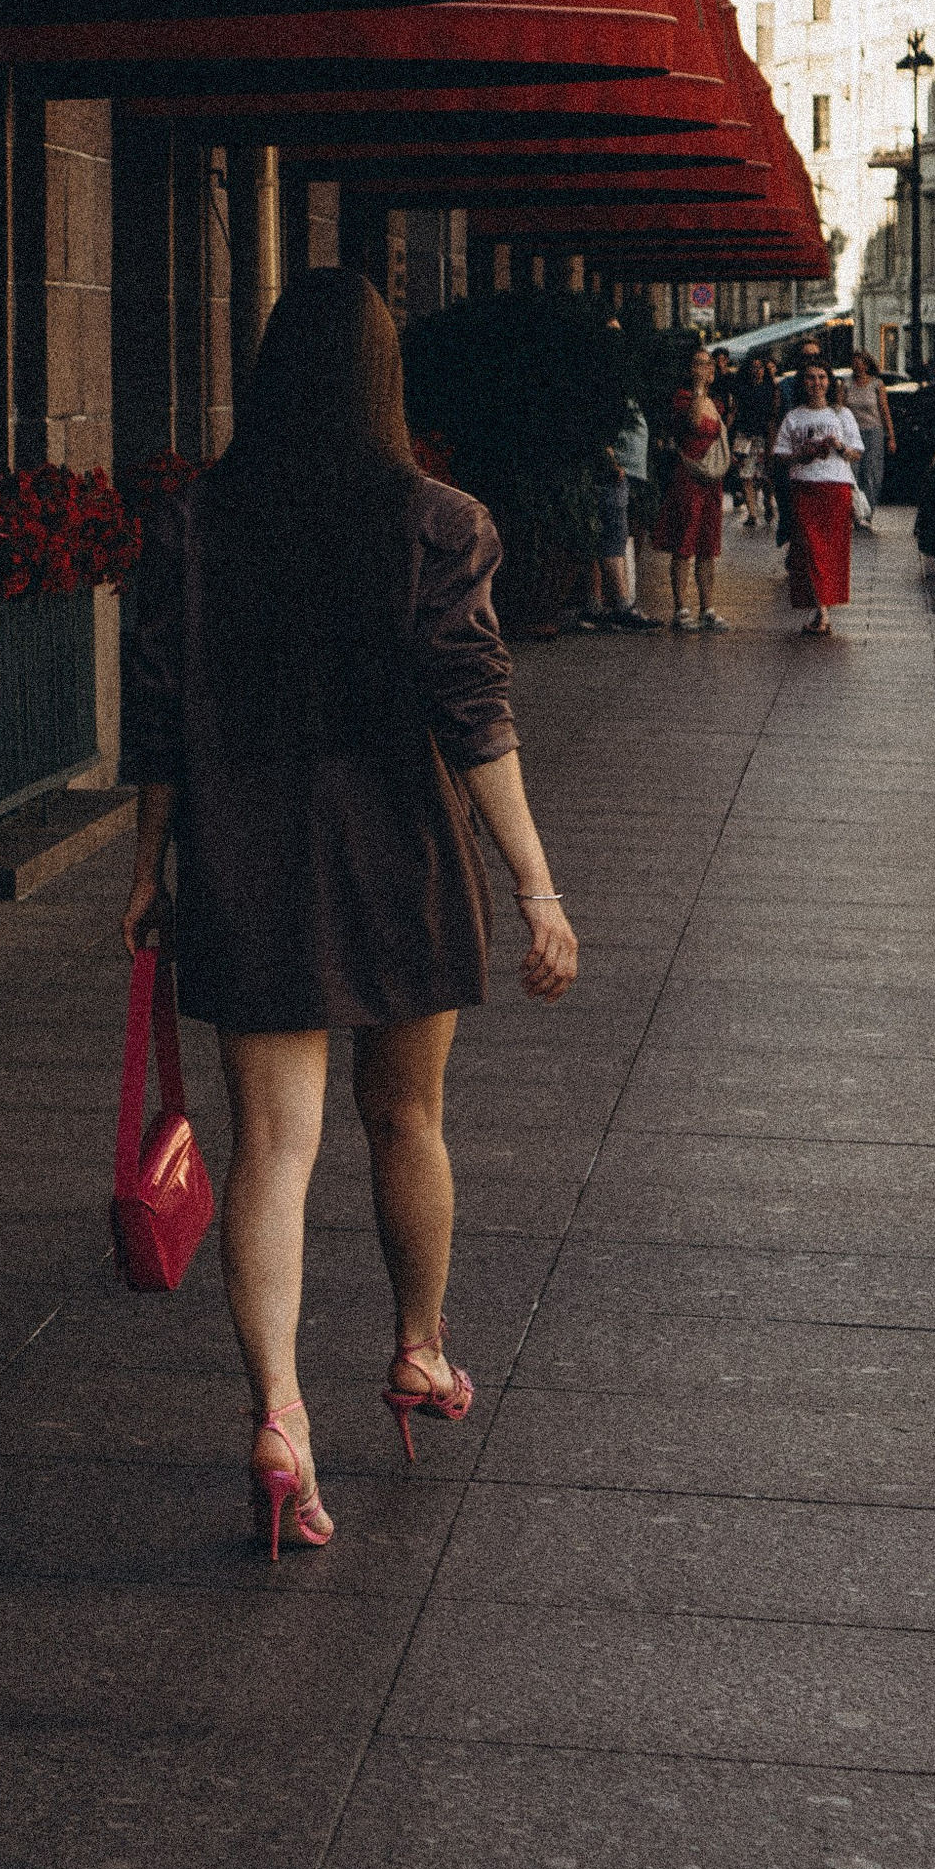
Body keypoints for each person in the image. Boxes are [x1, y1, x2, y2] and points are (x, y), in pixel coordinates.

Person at [118, 270, 578, 1564]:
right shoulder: (438, 524)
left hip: (246, 857)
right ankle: (418, 1350)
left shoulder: (195, 523)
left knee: (273, 1150)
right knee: (408, 1116)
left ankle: (276, 1421)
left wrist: (149, 867)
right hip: (398, 857)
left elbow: (156, 711)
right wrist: (536, 885)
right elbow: (474, 715)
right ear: (386, 380)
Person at [774, 356, 863, 635]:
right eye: (811, 377)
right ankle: (822, 610)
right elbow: (781, 455)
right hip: (805, 487)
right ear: (802, 382)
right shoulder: (794, 416)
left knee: (832, 552)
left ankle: (820, 608)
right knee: (809, 549)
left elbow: (856, 452)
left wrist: (839, 447)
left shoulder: (842, 414)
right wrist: (804, 453)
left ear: (830, 381)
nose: (817, 383)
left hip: (836, 487)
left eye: (822, 377)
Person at [656, 344, 730, 628]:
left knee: (708, 545)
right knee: (684, 541)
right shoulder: (684, 398)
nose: (705, 369)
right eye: (699, 364)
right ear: (689, 369)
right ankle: (680, 608)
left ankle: (707, 607)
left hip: (711, 478)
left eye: (709, 365)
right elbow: (695, 423)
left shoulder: (718, 402)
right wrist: (699, 389)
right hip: (688, 476)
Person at [578, 384, 654, 628]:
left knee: (604, 534)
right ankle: (621, 604)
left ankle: (595, 604)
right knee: (613, 535)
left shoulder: (619, 388)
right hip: (614, 472)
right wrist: (610, 462)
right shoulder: (611, 389)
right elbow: (599, 429)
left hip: (620, 471)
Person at [731, 350, 780, 533]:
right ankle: (752, 512)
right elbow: (735, 411)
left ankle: (767, 502)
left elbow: (774, 415)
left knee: (765, 476)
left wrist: (772, 439)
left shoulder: (771, 389)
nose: (756, 371)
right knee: (746, 474)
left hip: (763, 436)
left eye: (759, 367)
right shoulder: (742, 389)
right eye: (753, 367)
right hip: (744, 435)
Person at [840, 351, 891, 520]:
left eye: (860, 363)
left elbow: (884, 411)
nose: (857, 366)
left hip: (873, 432)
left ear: (867, 365)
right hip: (852, 433)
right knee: (853, 473)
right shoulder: (846, 384)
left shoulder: (877, 384)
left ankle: (867, 513)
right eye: (854, 363)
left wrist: (890, 435)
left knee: (872, 472)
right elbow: (839, 409)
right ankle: (854, 511)